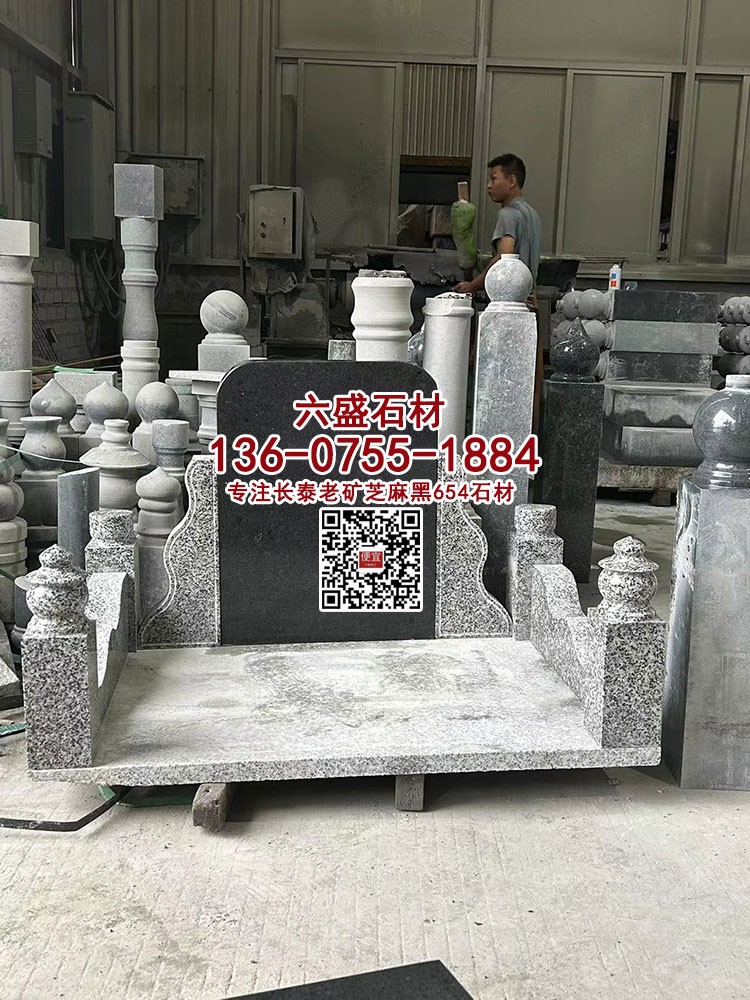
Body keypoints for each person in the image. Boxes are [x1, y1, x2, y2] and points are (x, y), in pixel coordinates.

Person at [455, 153, 541, 294]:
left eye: (493, 179)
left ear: (512, 181)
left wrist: (473, 285)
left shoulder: (507, 214)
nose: (489, 185)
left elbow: (504, 257)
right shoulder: (533, 215)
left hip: (509, 299)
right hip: (530, 298)